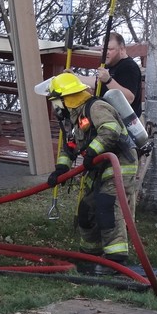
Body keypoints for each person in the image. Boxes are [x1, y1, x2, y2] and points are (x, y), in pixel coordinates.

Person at [43, 73, 138, 274]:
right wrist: (61, 169)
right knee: (86, 211)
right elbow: (70, 147)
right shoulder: (76, 118)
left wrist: (93, 151)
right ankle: (89, 255)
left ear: (66, 98)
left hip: (119, 164)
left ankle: (116, 259)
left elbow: (110, 130)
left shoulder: (95, 108)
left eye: (56, 102)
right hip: (97, 168)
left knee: (106, 205)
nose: (55, 107)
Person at [79, 32, 143, 117]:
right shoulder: (110, 63)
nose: (106, 53)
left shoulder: (129, 67)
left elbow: (129, 98)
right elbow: (97, 80)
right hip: (105, 118)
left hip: (124, 124)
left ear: (122, 50)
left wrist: (108, 80)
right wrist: (74, 77)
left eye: (110, 49)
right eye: (103, 49)